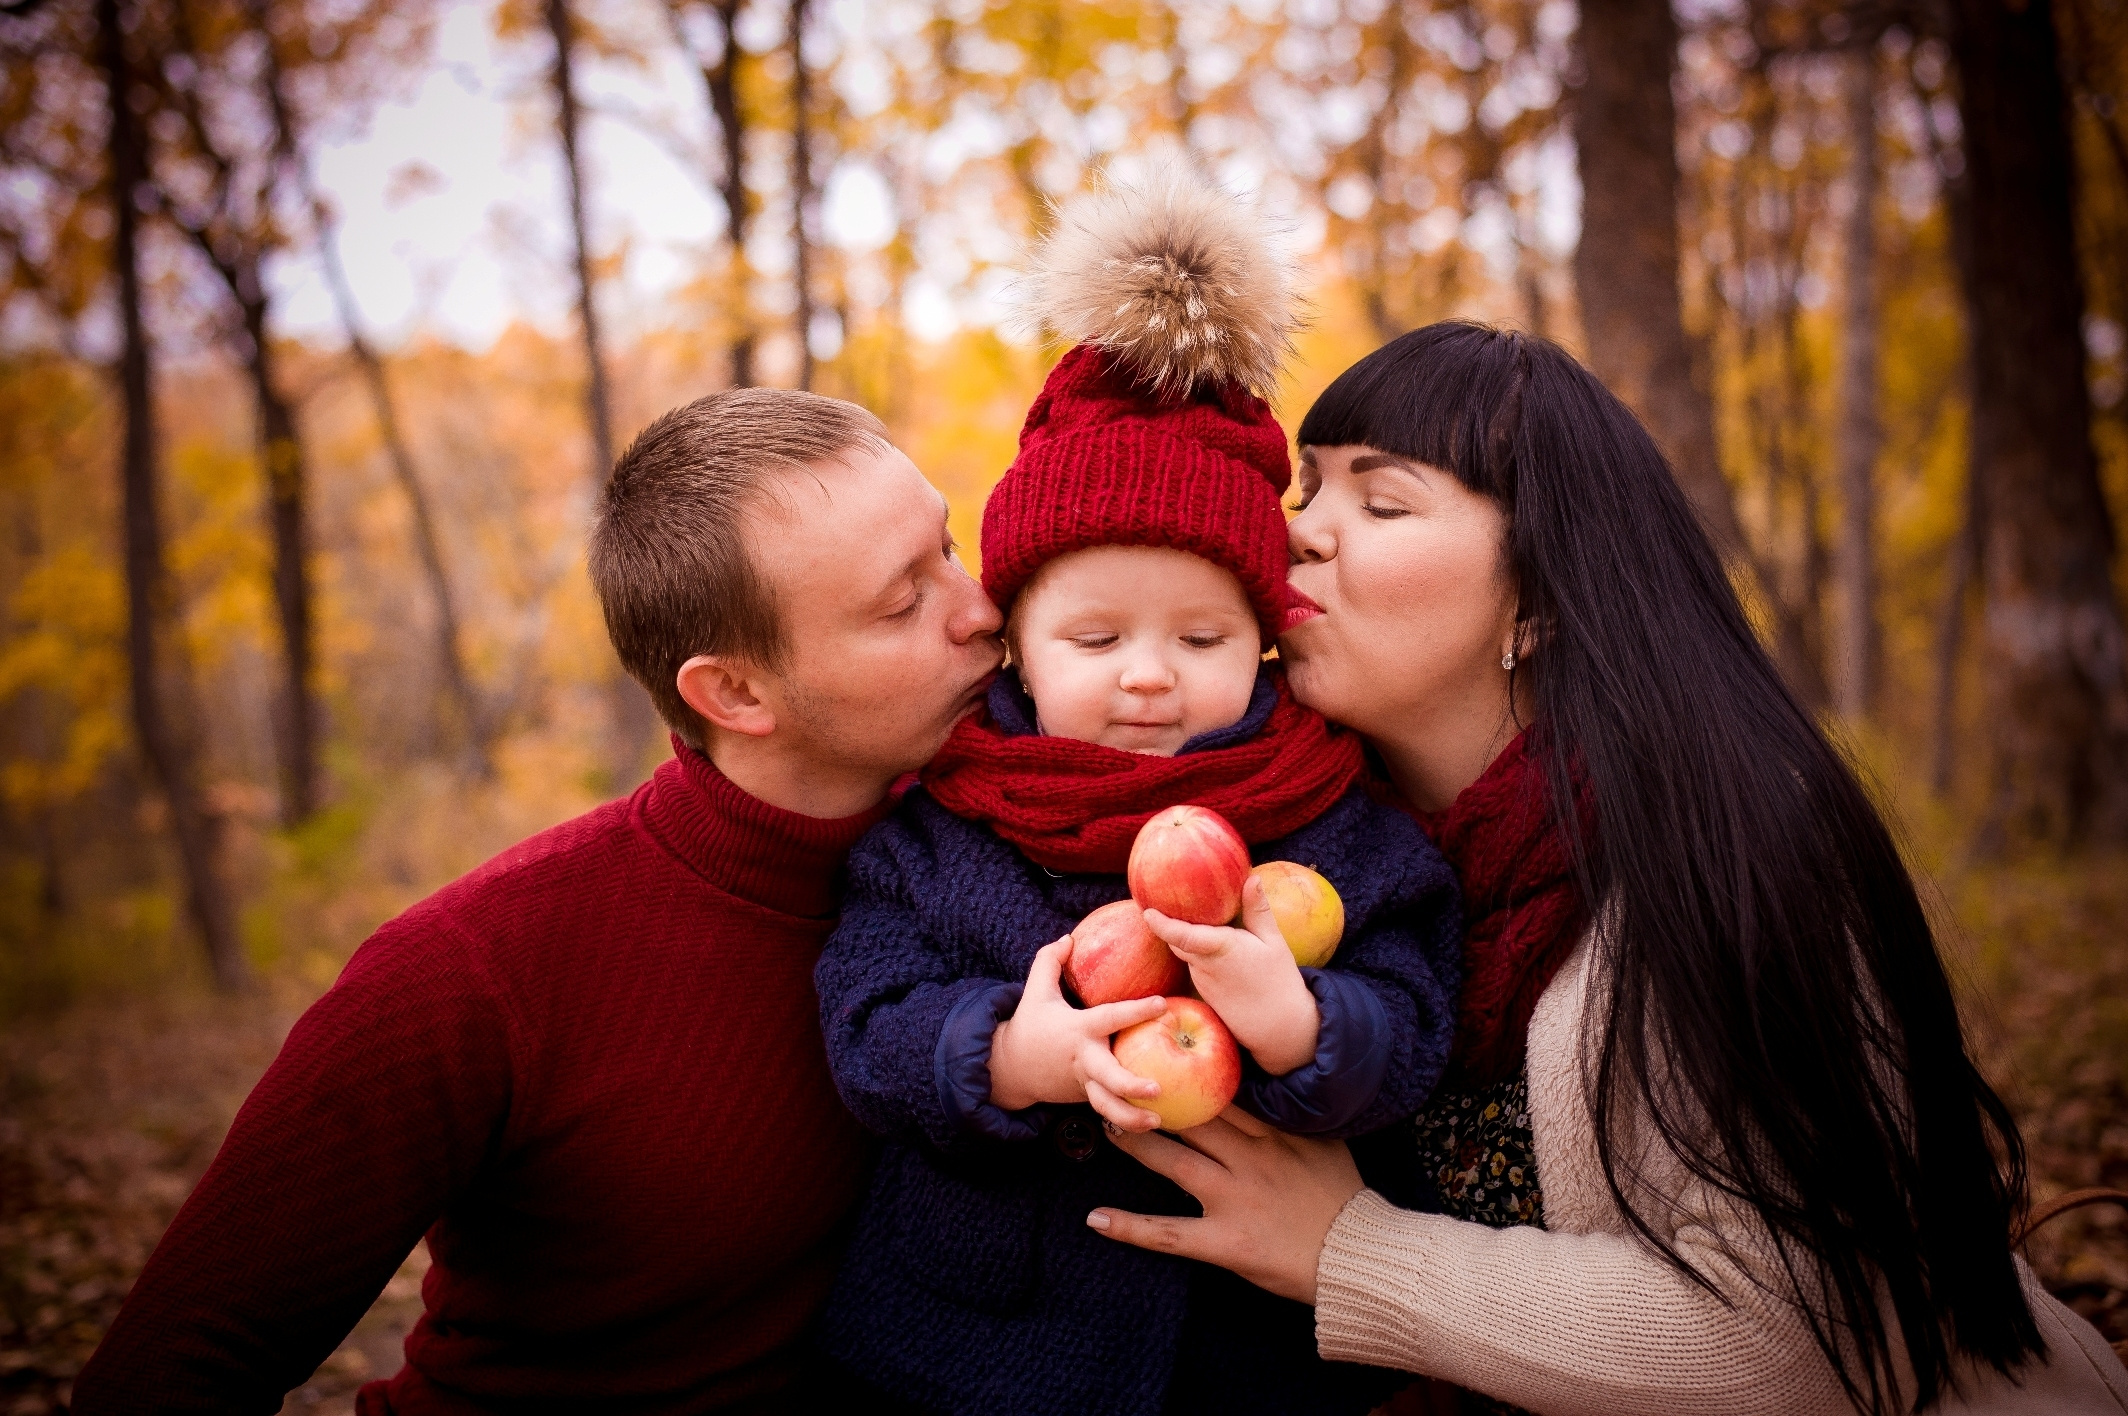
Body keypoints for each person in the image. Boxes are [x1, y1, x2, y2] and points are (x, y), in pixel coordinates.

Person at [1085, 322, 2128, 1415]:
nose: (1299, 536)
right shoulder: (1322, 859)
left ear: (1533, 603)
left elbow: (1801, 1343)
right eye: (1305, 493)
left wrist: (1352, 1253)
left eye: (1380, 503)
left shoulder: (1724, 849)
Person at [72, 388, 1005, 1414]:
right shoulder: (476, 970)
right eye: (900, 602)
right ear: (734, 694)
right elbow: (166, 1371)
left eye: (949, 549)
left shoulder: (1003, 870)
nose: (980, 610)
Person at [809, 170, 1462, 1416]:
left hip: (1240, 1369)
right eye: (1097, 642)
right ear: (1016, 645)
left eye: (1202, 641)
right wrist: (1007, 1054)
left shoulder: (1332, 816)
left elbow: (1414, 1017)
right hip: (960, 1357)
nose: (1150, 679)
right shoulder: (943, 824)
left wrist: (1300, 1026)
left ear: (1264, 643)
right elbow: (862, 1021)